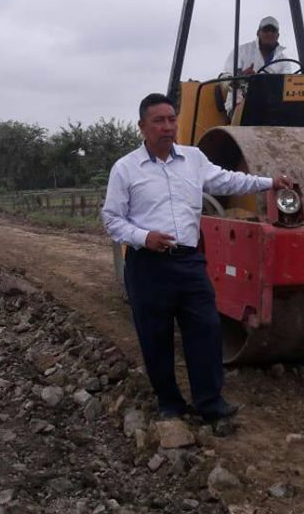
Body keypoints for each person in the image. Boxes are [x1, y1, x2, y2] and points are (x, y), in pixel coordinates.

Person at [102, 93, 293, 422]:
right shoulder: (125, 169)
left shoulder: (193, 159)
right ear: (142, 126)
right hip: (147, 265)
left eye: (171, 119)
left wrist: (269, 183)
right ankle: (170, 404)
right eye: (158, 121)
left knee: (205, 331)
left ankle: (210, 403)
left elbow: (227, 180)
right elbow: (111, 219)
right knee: (156, 337)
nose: (167, 127)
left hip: (189, 262)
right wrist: (144, 237)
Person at [220, 16, 297, 116]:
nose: (269, 33)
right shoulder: (242, 51)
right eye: (266, 30)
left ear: (277, 35)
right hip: (240, 105)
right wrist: (241, 77)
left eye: (273, 31)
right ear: (258, 33)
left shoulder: (284, 61)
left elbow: (288, 86)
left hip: (272, 108)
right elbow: (225, 77)